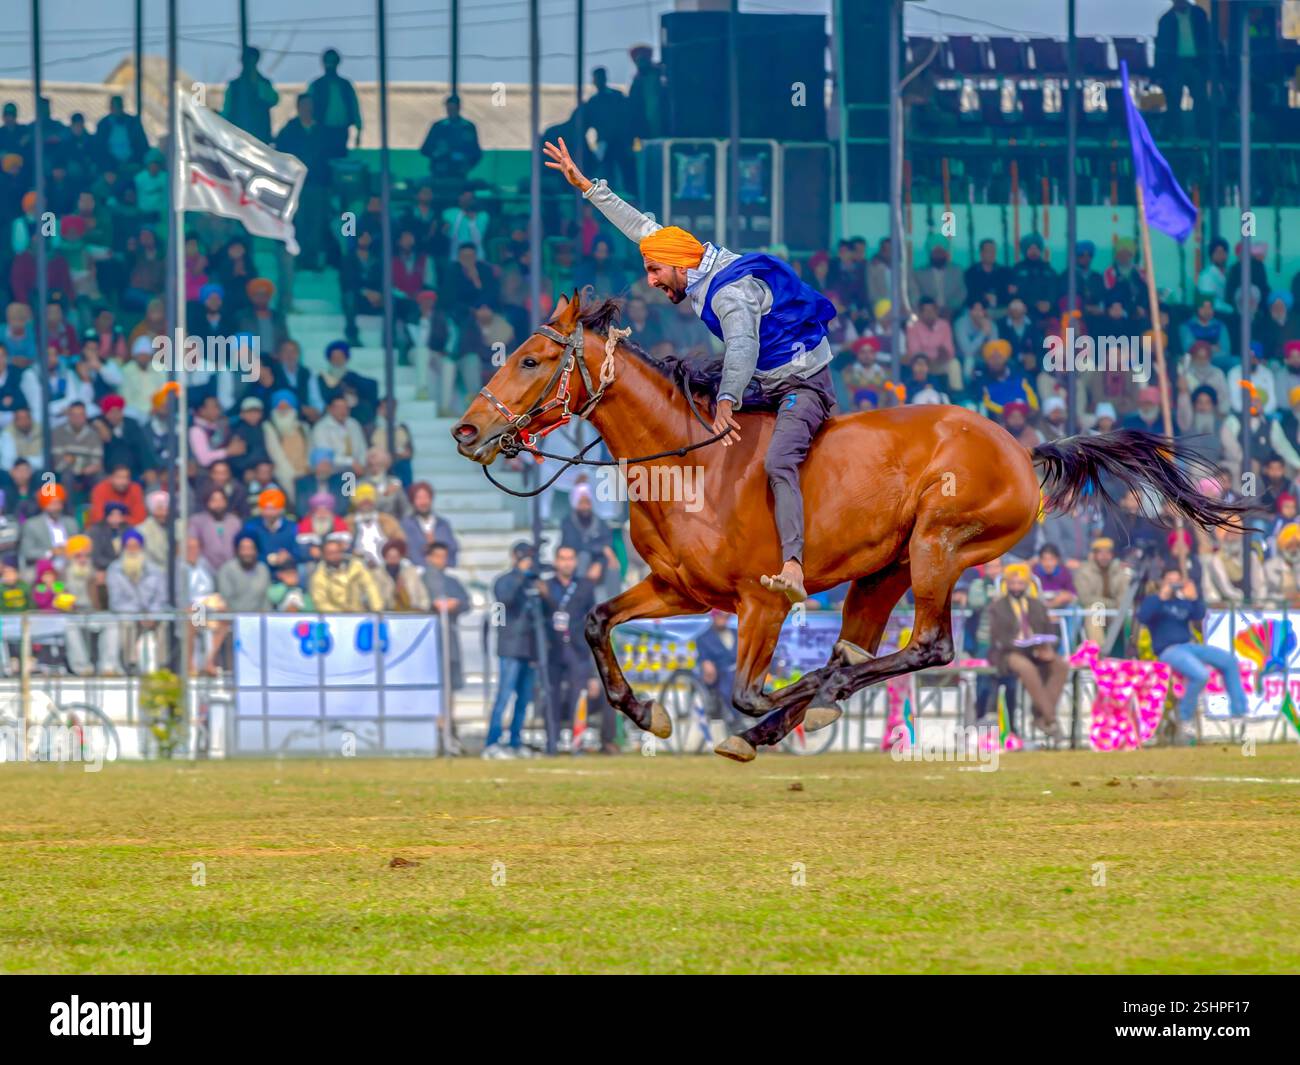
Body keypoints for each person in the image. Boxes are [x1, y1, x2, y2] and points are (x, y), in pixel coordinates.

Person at [545, 135, 837, 603]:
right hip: (765, 375)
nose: (652, 281)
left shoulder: (727, 293)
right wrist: (586, 187)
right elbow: (640, 225)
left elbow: (742, 345)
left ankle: (794, 566)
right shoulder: (686, 256)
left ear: (681, 265)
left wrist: (727, 402)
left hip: (801, 383)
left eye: (656, 272)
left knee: (779, 461)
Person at [1138, 566, 1247, 742]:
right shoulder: (1153, 601)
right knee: (1200, 674)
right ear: (1162, 582)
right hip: (1168, 650)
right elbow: (1143, 617)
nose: (1174, 585)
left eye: (1177, 581)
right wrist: (1161, 596)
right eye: (1170, 581)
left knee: (1229, 661)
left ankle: (1238, 713)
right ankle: (1184, 715)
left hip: (1189, 646)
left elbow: (1199, 615)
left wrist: (1194, 597)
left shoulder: (1183, 602)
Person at [987, 563, 1067, 740]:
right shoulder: (997, 607)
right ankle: (1050, 720)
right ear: (1006, 584)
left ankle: (1039, 715)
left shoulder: (1037, 605)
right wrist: (1024, 645)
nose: (1016, 587)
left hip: (1037, 650)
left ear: (1027, 584)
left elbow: (1050, 632)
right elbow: (998, 638)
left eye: (1020, 583)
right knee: (1026, 669)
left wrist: (1048, 648)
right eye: (1013, 583)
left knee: (1061, 666)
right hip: (1009, 653)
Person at [539, 544, 599, 755]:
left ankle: (577, 744)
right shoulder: (545, 586)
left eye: (570, 558)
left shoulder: (584, 586)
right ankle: (551, 744)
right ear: (556, 561)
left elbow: (592, 619)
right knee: (551, 695)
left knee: (578, 696)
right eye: (562, 558)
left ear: (575, 562)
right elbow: (541, 618)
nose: (566, 562)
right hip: (552, 648)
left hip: (577, 648)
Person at [484, 541, 542, 759]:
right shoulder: (504, 581)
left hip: (529, 648)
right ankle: (492, 743)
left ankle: (515, 741)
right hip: (509, 647)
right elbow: (506, 599)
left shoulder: (533, 582)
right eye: (524, 557)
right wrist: (521, 574)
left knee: (524, 699)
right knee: (504, 696)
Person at [310, 534, 383, 612]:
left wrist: (377, 609)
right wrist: (343, 615)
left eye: (337, 552)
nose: (335, 556)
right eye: (330, 553)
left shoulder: (356, 566)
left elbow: (370, 586)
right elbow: (321, 603)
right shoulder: (319, 576)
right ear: (324, 555)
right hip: (334, 618)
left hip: (359, 613)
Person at [419, 95, 482, 186]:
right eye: (449, 108)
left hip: (458, 174)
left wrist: (466, 166)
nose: (451, 111)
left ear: (459, 108)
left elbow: (476, 153)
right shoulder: (438, 127)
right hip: (439, 173)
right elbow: (425, 150)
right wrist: (437, 153)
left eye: (453, 108)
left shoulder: (467, 127)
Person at [222, 46, 279, 142]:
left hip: (261, 137)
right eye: (248, 61)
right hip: (239, 138)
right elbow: (226, 112)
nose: (250, 64)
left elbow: (274, 99)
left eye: (253, 60)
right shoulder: (234, 86)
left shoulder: (264, 83)